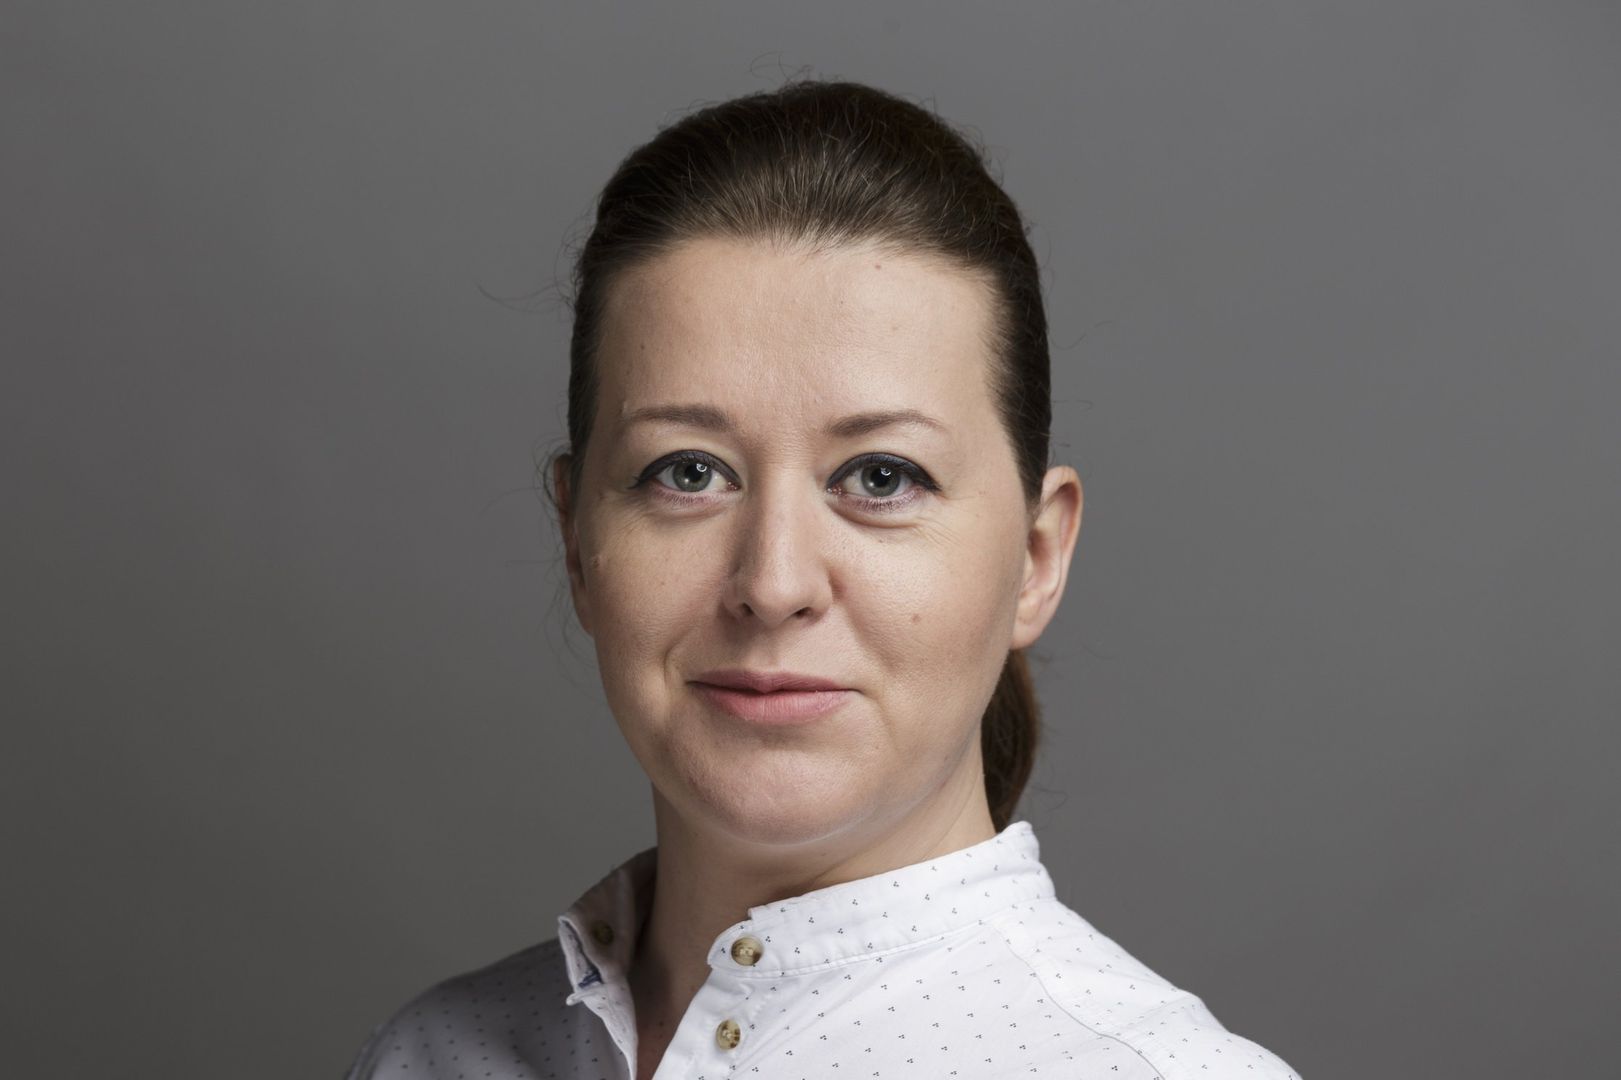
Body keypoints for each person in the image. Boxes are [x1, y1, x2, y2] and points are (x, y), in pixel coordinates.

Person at [345, 79, 1300, 1080]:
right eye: (688, 472)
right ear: (577, 542)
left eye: (881, 477)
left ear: (1035, 558)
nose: (773, 582)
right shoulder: (426, 1058)